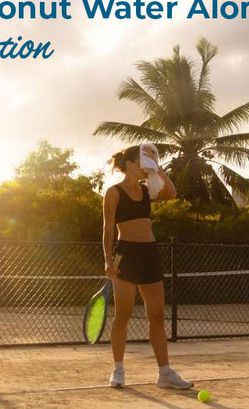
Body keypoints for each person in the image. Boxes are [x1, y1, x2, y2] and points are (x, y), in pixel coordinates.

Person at [102, 145, 192, 389]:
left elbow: (171, 193)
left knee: (157, 316)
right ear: (130, 164)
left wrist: (157, 168)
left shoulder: (146, 189)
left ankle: (164, 373)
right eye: (142, 161)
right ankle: (118, 370)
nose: (145, 166)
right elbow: (108, 228)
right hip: (126, 254)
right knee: (123, 315)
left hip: (150, 254)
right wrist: (108, 261)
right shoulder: (113, 192)